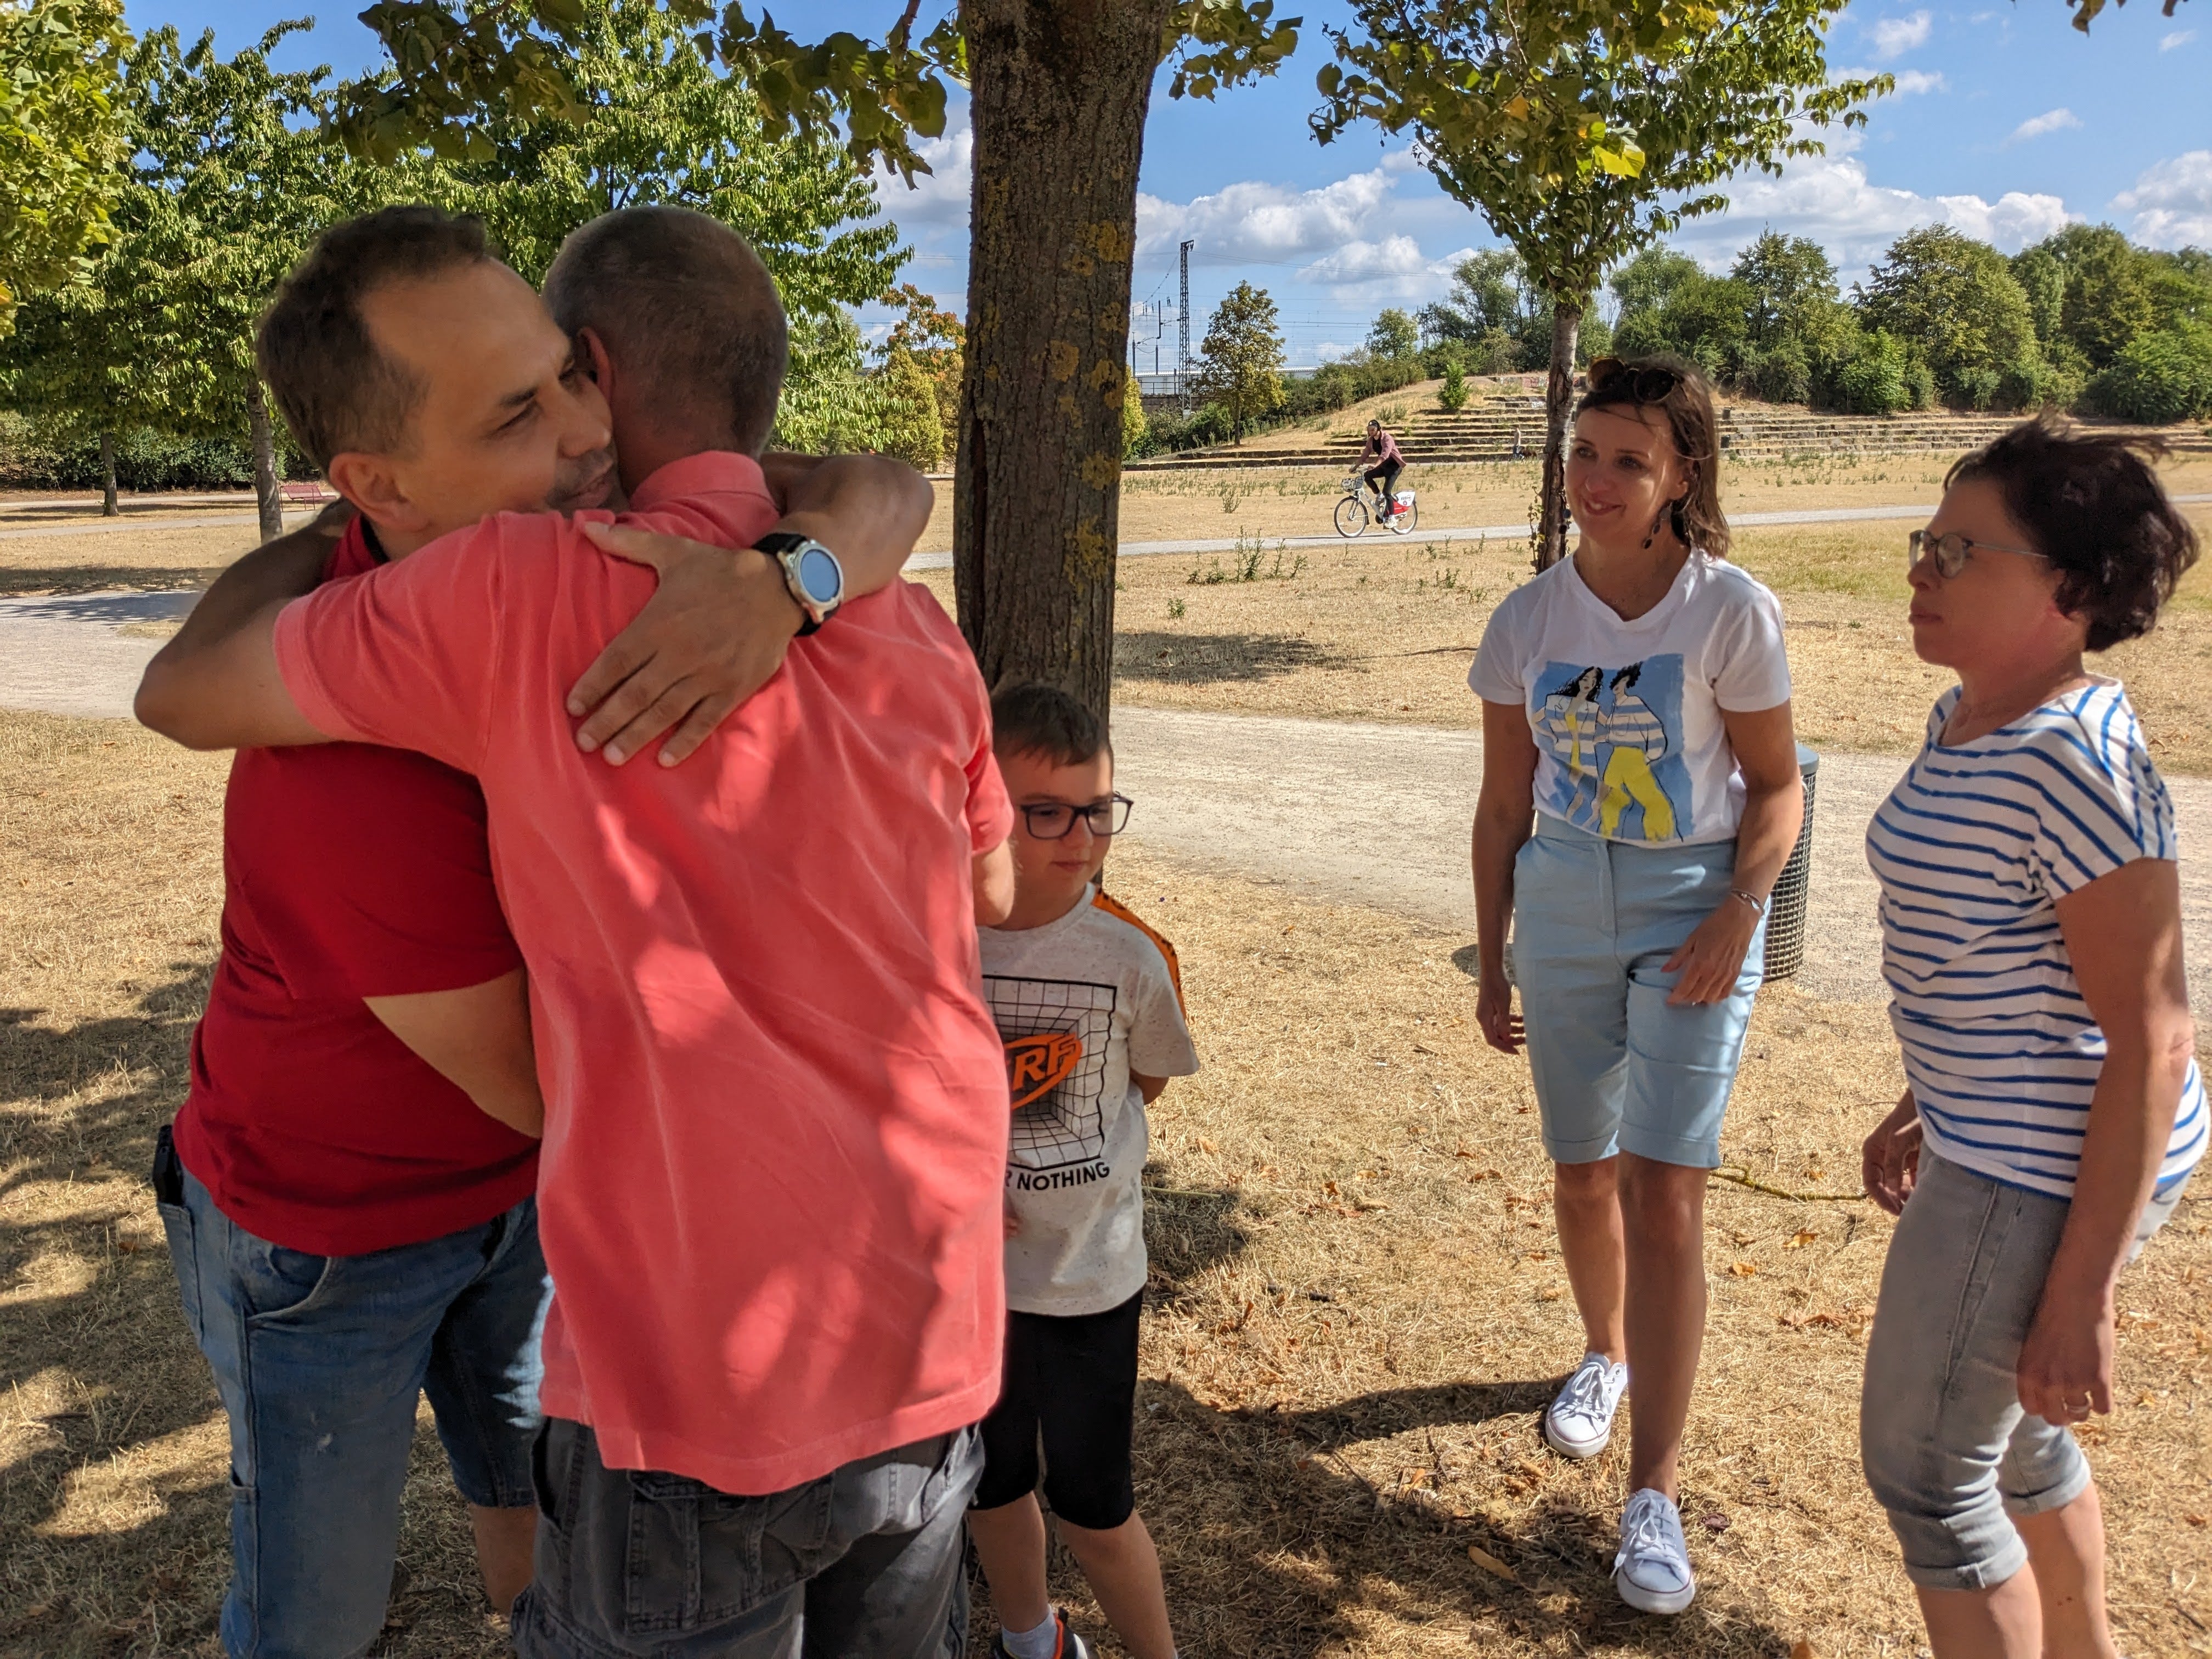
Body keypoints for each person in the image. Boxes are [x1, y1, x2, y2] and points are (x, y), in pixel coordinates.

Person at [137, 203, 1014, 1658]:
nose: (569, 431)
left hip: (694, 1377)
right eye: (515, 410)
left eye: (565, 382)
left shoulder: (514, 593)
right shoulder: (906, 620)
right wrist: (815, 563)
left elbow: (182, 692)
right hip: (923, 1327)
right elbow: (985, 893)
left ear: (602, 367)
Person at [1858, 417, 2202, 1659]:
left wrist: (2084, 1297)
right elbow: (1991, 953)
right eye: (1925, 543)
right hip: (1991, 1131)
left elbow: (2154, 1039)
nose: (1920, 571)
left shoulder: (2074, 762)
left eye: (1960, 551)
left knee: (1929, 1475)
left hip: (2039, 1168)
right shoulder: (1973, 716)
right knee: (2018, 1445)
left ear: (2072, 589)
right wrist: (1921, 1095)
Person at [1466, 354, 1802, 1615]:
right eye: (1583, 452)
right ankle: (1601, 1355)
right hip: (1561, 898)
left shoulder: (1729, 611)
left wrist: (1738, 908)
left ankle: (1651, 1495)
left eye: (1627, 459)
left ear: (1682, 478)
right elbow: (1504, 801)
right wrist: (1493, 944)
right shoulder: (1527, 621)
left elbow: (1778, 789)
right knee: (1581, 1168)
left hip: (1693, 904)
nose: (1594, 481)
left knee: (1667, 1190)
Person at [967, 684, 1200, 1659]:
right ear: (977, 809)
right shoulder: (929, 934)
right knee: (990, 1481)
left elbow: (1142, 1080)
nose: (1080, 835)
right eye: (1045, 810)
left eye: (1097, 808)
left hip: (1086, 1280)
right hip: (968, 1283)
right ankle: (1033, 1638)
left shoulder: (1133, 953)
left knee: (1096, 1508)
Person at [1358, 418, 1404, 518]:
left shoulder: (1387, 438)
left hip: (1394, 468)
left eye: (1373, 429)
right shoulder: (1371, 441)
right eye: (1369, 430)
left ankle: (1392, 517)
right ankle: (1379, 496)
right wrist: (1355, 466)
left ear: (1379, 429)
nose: (1371, 432)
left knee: (1387, 492)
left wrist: (1375, 465)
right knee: (1367, 476)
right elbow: (1365, 453)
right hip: (1384, 466)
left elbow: (1385, 454)